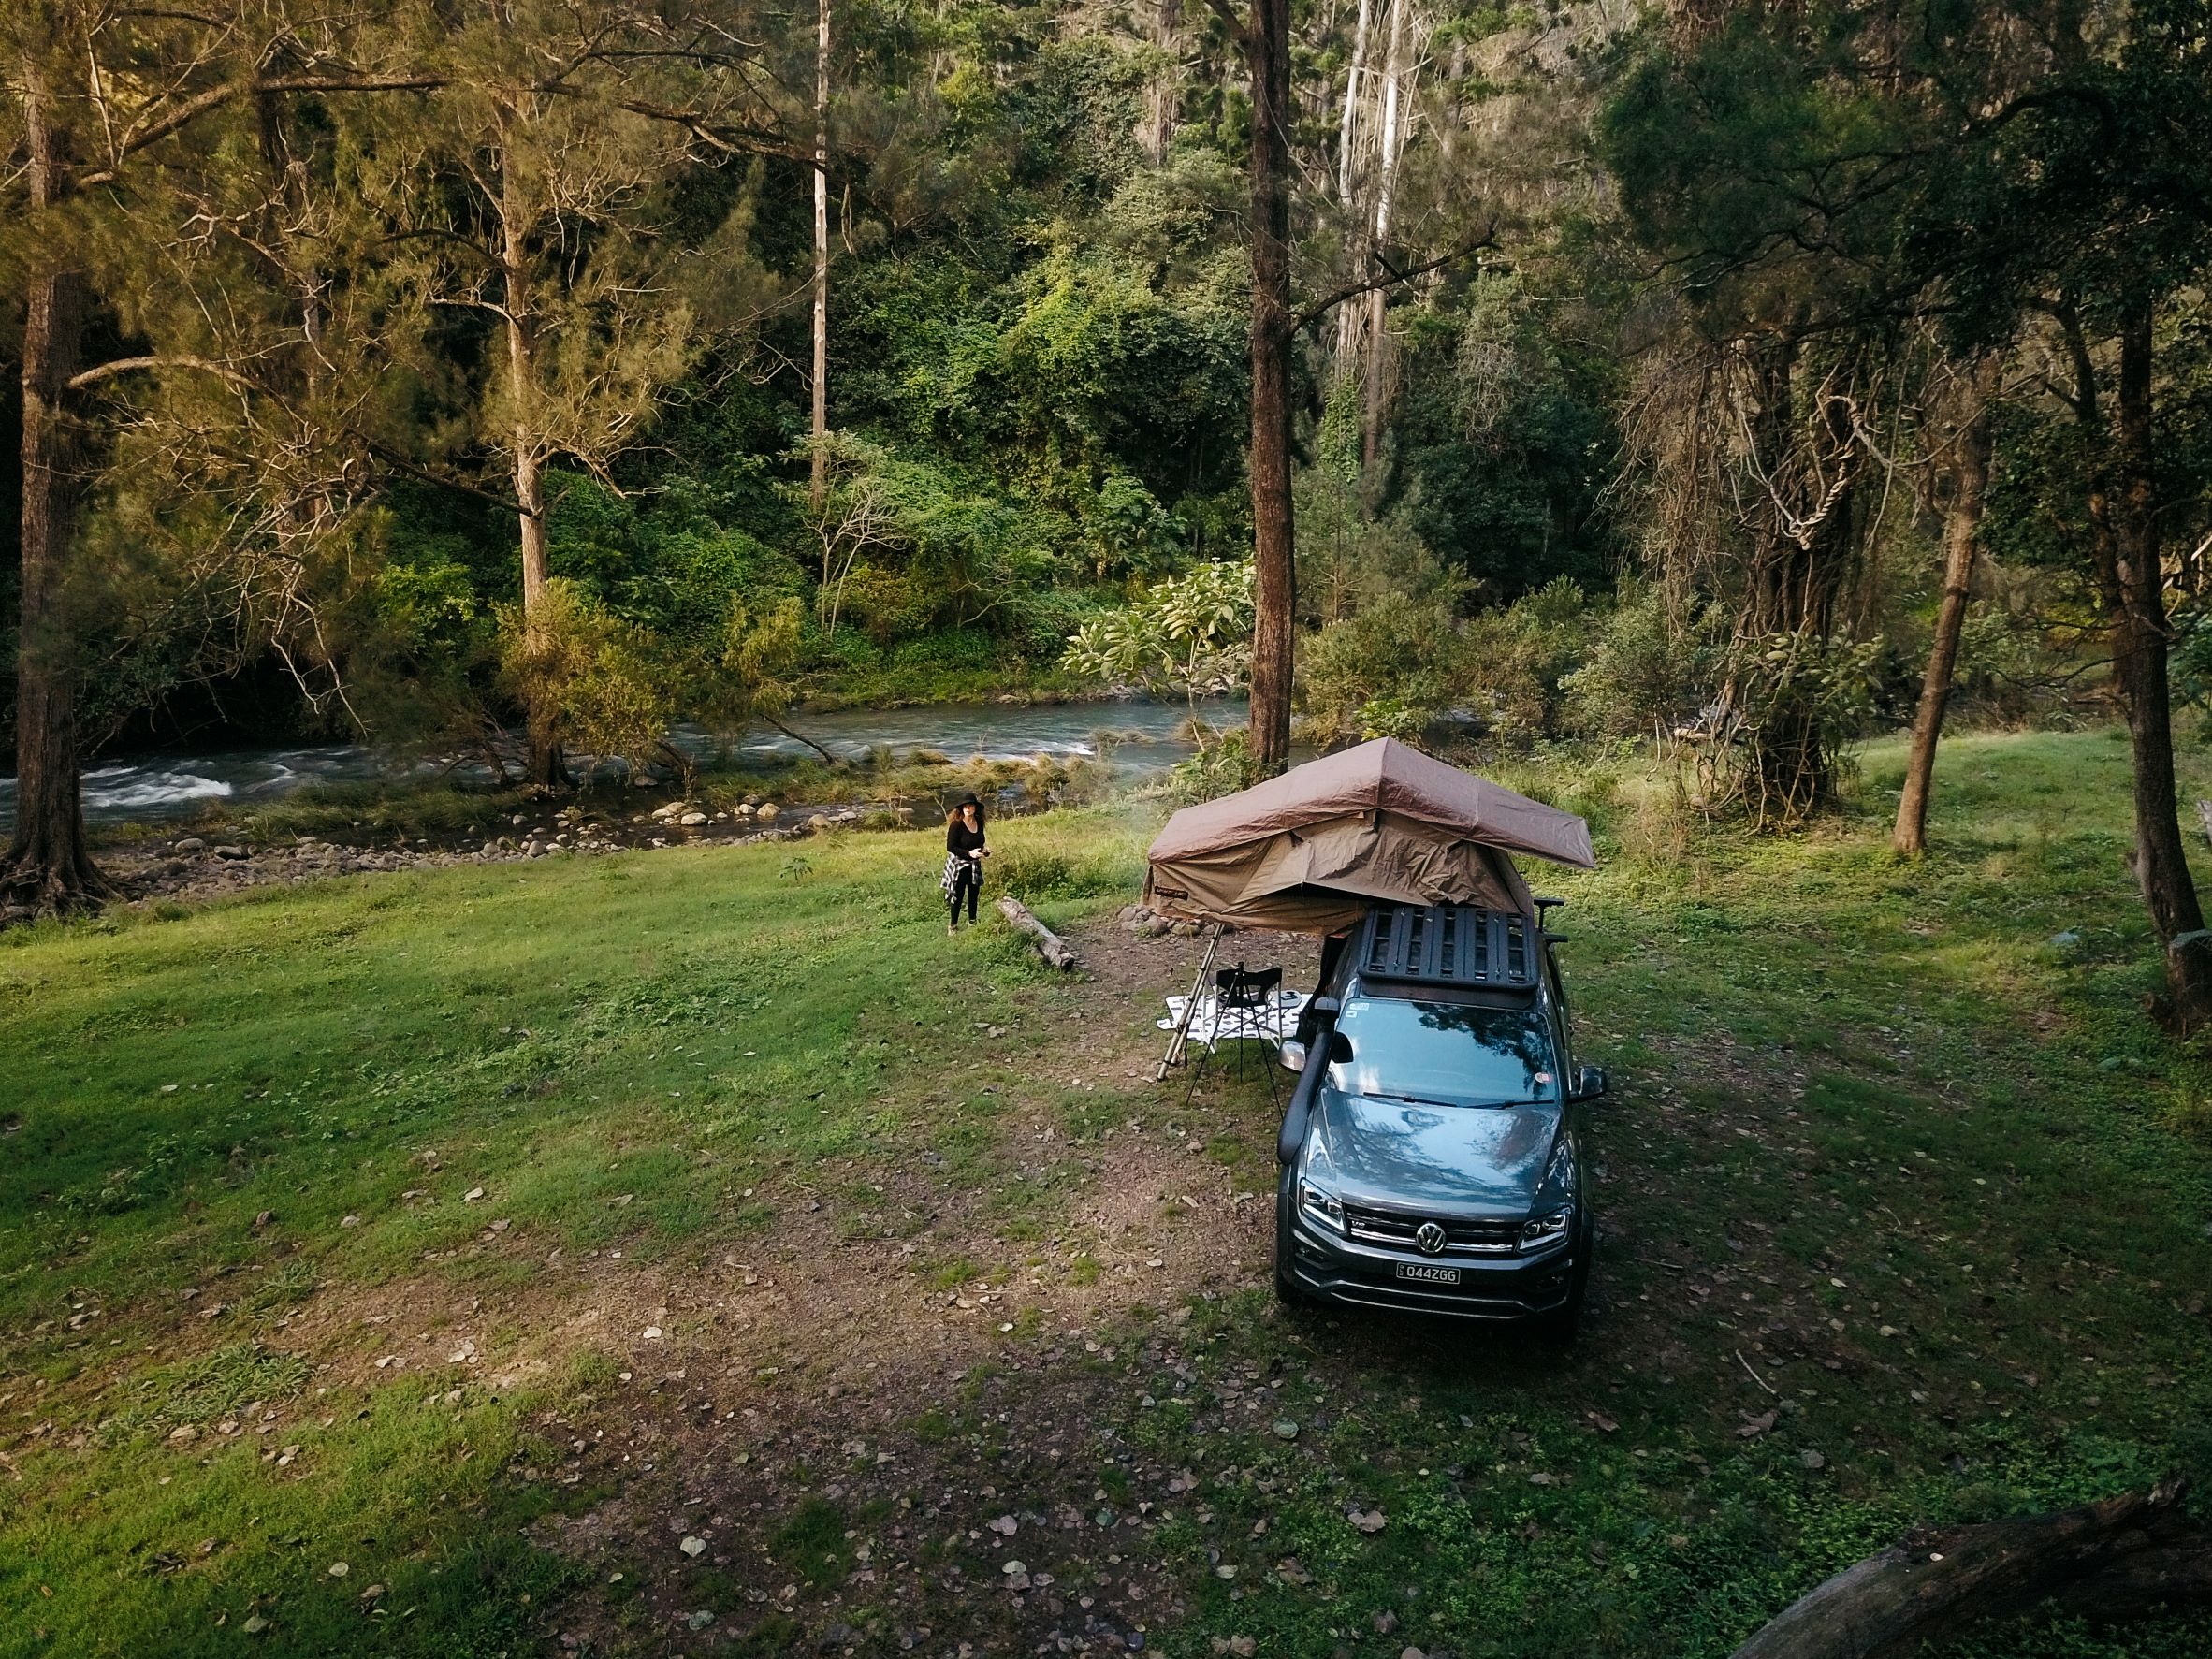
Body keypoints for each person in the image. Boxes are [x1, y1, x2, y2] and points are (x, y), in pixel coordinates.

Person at [941, 795, 989, 934]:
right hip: (959, 865)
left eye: (971, 805)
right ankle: (953, 926)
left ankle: (972, 923)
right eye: (965, 806)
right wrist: (969, 854)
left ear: (975, 808)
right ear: (962, 808)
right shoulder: (956, 824)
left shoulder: (979, 822)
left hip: (974, 864)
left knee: (974, 894)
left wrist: (984, 851)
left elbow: (979, 841)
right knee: (958, 894)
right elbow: (950, 847)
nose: (968, 808)